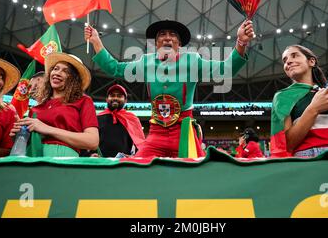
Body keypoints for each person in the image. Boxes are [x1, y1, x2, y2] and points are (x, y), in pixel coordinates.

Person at [85, 19, 254, 158]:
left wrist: (241, 42)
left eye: (172, 35)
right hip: (156, 133)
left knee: (195, 176)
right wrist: (96, 42)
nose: (167, 38)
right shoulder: (146, 61)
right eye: (162, 35)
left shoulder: (192, 60)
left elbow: (226, 69)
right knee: (136, 169)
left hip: (184, 133)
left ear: (179, 43)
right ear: (156, 43)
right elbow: (115, 68)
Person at [270, 45, 328, 159]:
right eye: (285, 60)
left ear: (311, 61)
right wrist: (314, 108)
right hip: (311, 157)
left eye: (294, 56)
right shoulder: (282, 96)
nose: (288, 61)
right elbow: (287, 145)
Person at [11, 52, 99, 157]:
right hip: (33, 158)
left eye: (66, 71)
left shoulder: (83, 101)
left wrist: (45, 128)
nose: (57, 73)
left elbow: (92, 141)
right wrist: (19, 136)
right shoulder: (35, 109)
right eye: (56, 69)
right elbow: (29, 142)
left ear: (74, 79)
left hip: (64, 159)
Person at [81, 84, 145, 157]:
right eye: (112, 95)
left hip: (122, 164)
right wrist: (90, 155)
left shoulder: (132, 119)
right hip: (99, 163)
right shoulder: (97, 118)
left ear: (125, 100)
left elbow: (141, 145)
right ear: (107, 99)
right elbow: (85, 141)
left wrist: (134, 157)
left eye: (119, 96)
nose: (115, 98)